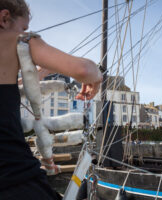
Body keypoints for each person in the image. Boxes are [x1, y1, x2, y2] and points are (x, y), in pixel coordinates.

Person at [0, 0, 102, 199]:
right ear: (4, 18)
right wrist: (97, 77)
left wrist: (46, 70)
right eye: (23, 27)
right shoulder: (16, 40)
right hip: (12, 177)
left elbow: (10, 84)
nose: (25, 31)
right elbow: (84, 70)